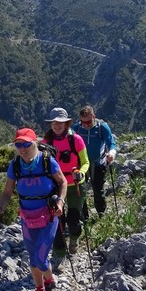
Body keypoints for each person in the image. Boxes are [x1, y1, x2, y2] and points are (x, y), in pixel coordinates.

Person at [0, 127, 67, 291]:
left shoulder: (47, 161)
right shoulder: (15, 165)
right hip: (27, 217)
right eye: (18, 144)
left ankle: (51, 285)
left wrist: (61, 203)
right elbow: (7, 192)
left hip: (48, 215)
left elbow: (63, 182)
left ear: (35, 143)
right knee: (33, 260)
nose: (22, 148)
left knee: (40, 259)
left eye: (26, 144)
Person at [43, 107, 89, 261]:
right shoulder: (46, 142)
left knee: (73, 219)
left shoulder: (76, 140)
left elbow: (86, 162)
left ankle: (75, 237)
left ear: (66, 123)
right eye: (54, 122)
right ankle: (59, 254)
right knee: (57, 221)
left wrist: (81, 172)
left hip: (75, 185)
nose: (57, 125)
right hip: (55, 186)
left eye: (60, 122)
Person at [73, 105, 117, 218]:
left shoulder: (102, 127)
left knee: (98, 190)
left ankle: (101, 214)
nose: (85, 125)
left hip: (98, 164)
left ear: (93, 116)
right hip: (82, 164)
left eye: (88, 122)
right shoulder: (77, 128)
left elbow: (111, 142)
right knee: (81, 190)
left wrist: (112, 153)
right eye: (83, 122)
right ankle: (84, 217)